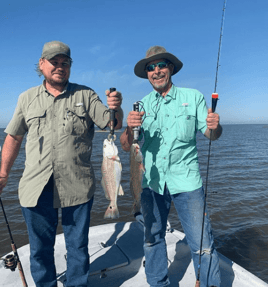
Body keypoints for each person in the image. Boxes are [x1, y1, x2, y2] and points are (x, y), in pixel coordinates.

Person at [0, 40, 123, 287]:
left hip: (77, 185)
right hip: (36, 187)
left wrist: (116, 108)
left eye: (65, 63)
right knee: (39, 248)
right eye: (54, 62)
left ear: (70, 66)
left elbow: (113, 125)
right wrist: (2, 174)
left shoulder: (86, 95)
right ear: (41, 64)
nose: (59, 67)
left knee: (77, 246)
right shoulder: (27, 98)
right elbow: (13, 137)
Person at [120, 46, 222, 287]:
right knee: (152, 238)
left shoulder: (193, 97)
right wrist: (128, 126)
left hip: (187, 181)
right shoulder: (141, 105)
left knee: (203, 244)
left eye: (161, 65)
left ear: (171, 68)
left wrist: (215, 125)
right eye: (150, 67)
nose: (156, 71)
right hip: (151, 183)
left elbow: (212, 135)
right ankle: (158, 283)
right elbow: (127, 146)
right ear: (146, 74)